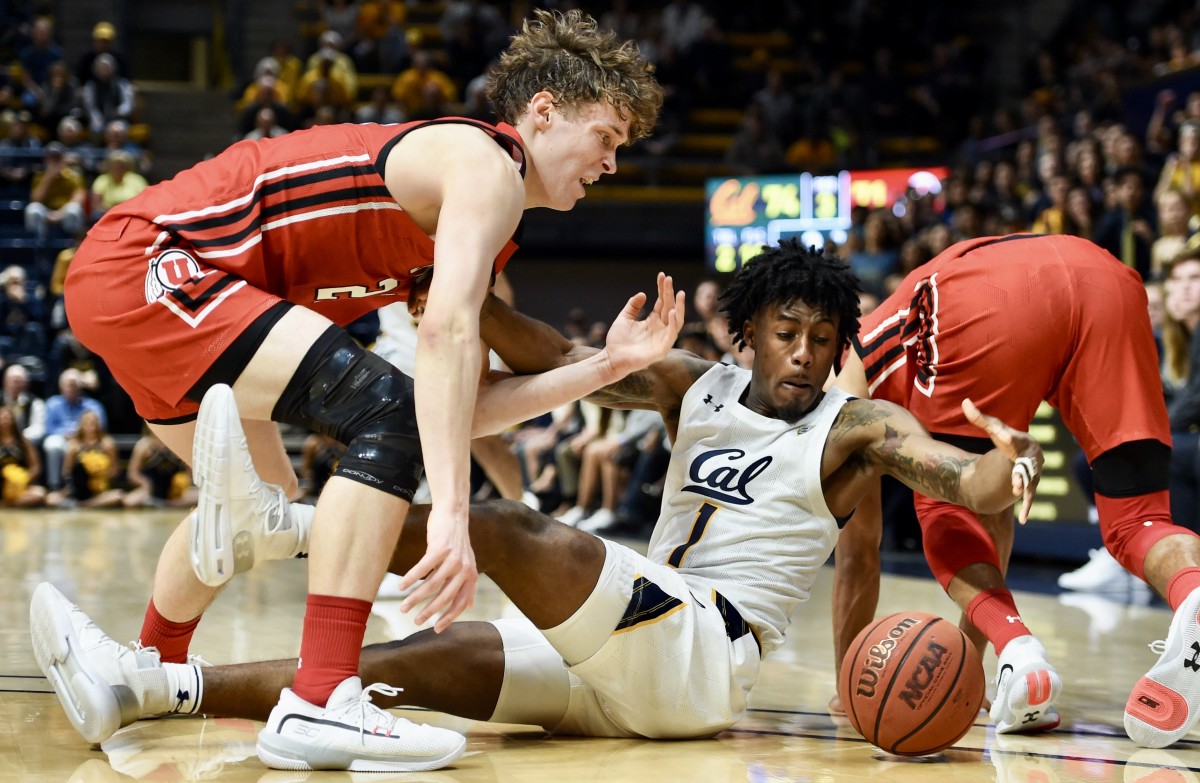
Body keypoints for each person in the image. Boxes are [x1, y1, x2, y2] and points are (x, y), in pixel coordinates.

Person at [33, 241, 1043, 754]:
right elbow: (563, 357)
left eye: (824, 341)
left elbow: (952, 473)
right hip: (622, 654)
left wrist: (1006, 464)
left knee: (512, 528)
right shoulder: (702, 384)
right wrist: (461, 303)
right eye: (789, 332)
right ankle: (151, 687)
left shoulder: (852, 428)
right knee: (398, 667)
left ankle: (287, 522)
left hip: (703, 653)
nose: (807, 354)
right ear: (749, 332)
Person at [51, 9, 664, 771]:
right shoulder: (487, 165)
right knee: (383, 410)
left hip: (149, 284)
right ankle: (321, 697)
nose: (611, 162)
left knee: (257, 502)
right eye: (606, 137)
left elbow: (456, 407)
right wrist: (449, 515)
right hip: (161, 264)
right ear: (543, 112)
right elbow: (441, 344)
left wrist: (601, 368)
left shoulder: (476, 216)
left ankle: (142, 668)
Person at [831, 232, 1200, 748]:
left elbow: (857, 554)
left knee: (944, 505)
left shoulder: (838, 399)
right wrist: (968, 663)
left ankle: (1022, 657)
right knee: (1138, 521)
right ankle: (1193, 593)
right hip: (1106, 277)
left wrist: (847, 680)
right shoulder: (851, 349)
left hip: (984, 298)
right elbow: (996, 520)